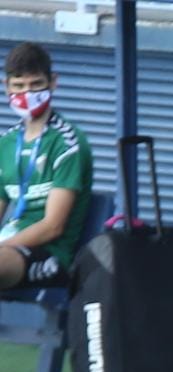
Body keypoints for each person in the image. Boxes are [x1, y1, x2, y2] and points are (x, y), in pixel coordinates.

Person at [0, 42, 92, 290]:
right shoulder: (5, 144)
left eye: (35, 84)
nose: (27, 94)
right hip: (7, 248)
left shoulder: (67, 143)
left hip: (48, 254)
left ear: (53, 82)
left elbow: (53, 226)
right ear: (6, 87)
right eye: (18, 86)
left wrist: (3, 246)